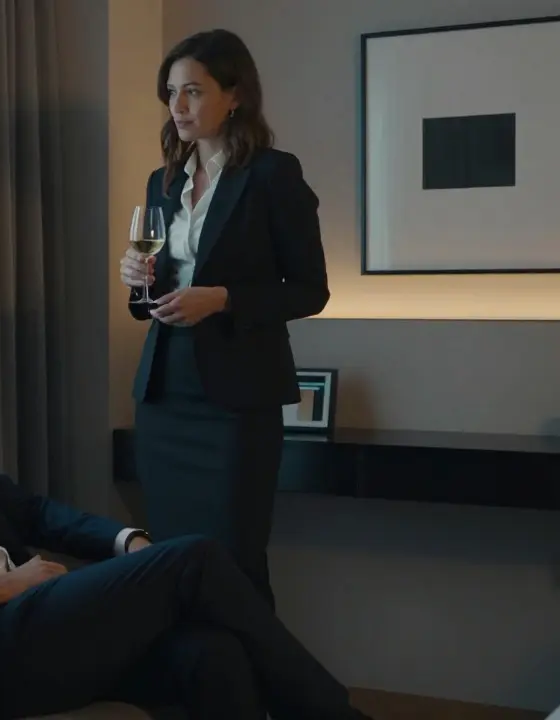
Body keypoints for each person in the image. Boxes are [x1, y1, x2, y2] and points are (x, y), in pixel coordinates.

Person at [0, 255, 371, 720]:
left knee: (213, 656)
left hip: (38, 621)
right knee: (195, 558)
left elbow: (23, 509)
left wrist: (122, 540)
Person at [119, 28, 329, 609]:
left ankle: (254, 668)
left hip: (236, 402)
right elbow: (151, 299)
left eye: (193, 91)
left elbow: (310, 291)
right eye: (171, 93)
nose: (178, 106)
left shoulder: (273, 175)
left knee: (234, 563)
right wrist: (138, 278)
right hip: (164, 394)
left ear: (234, 95)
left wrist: (224, 299)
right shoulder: (163, 181)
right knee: (170, 562)